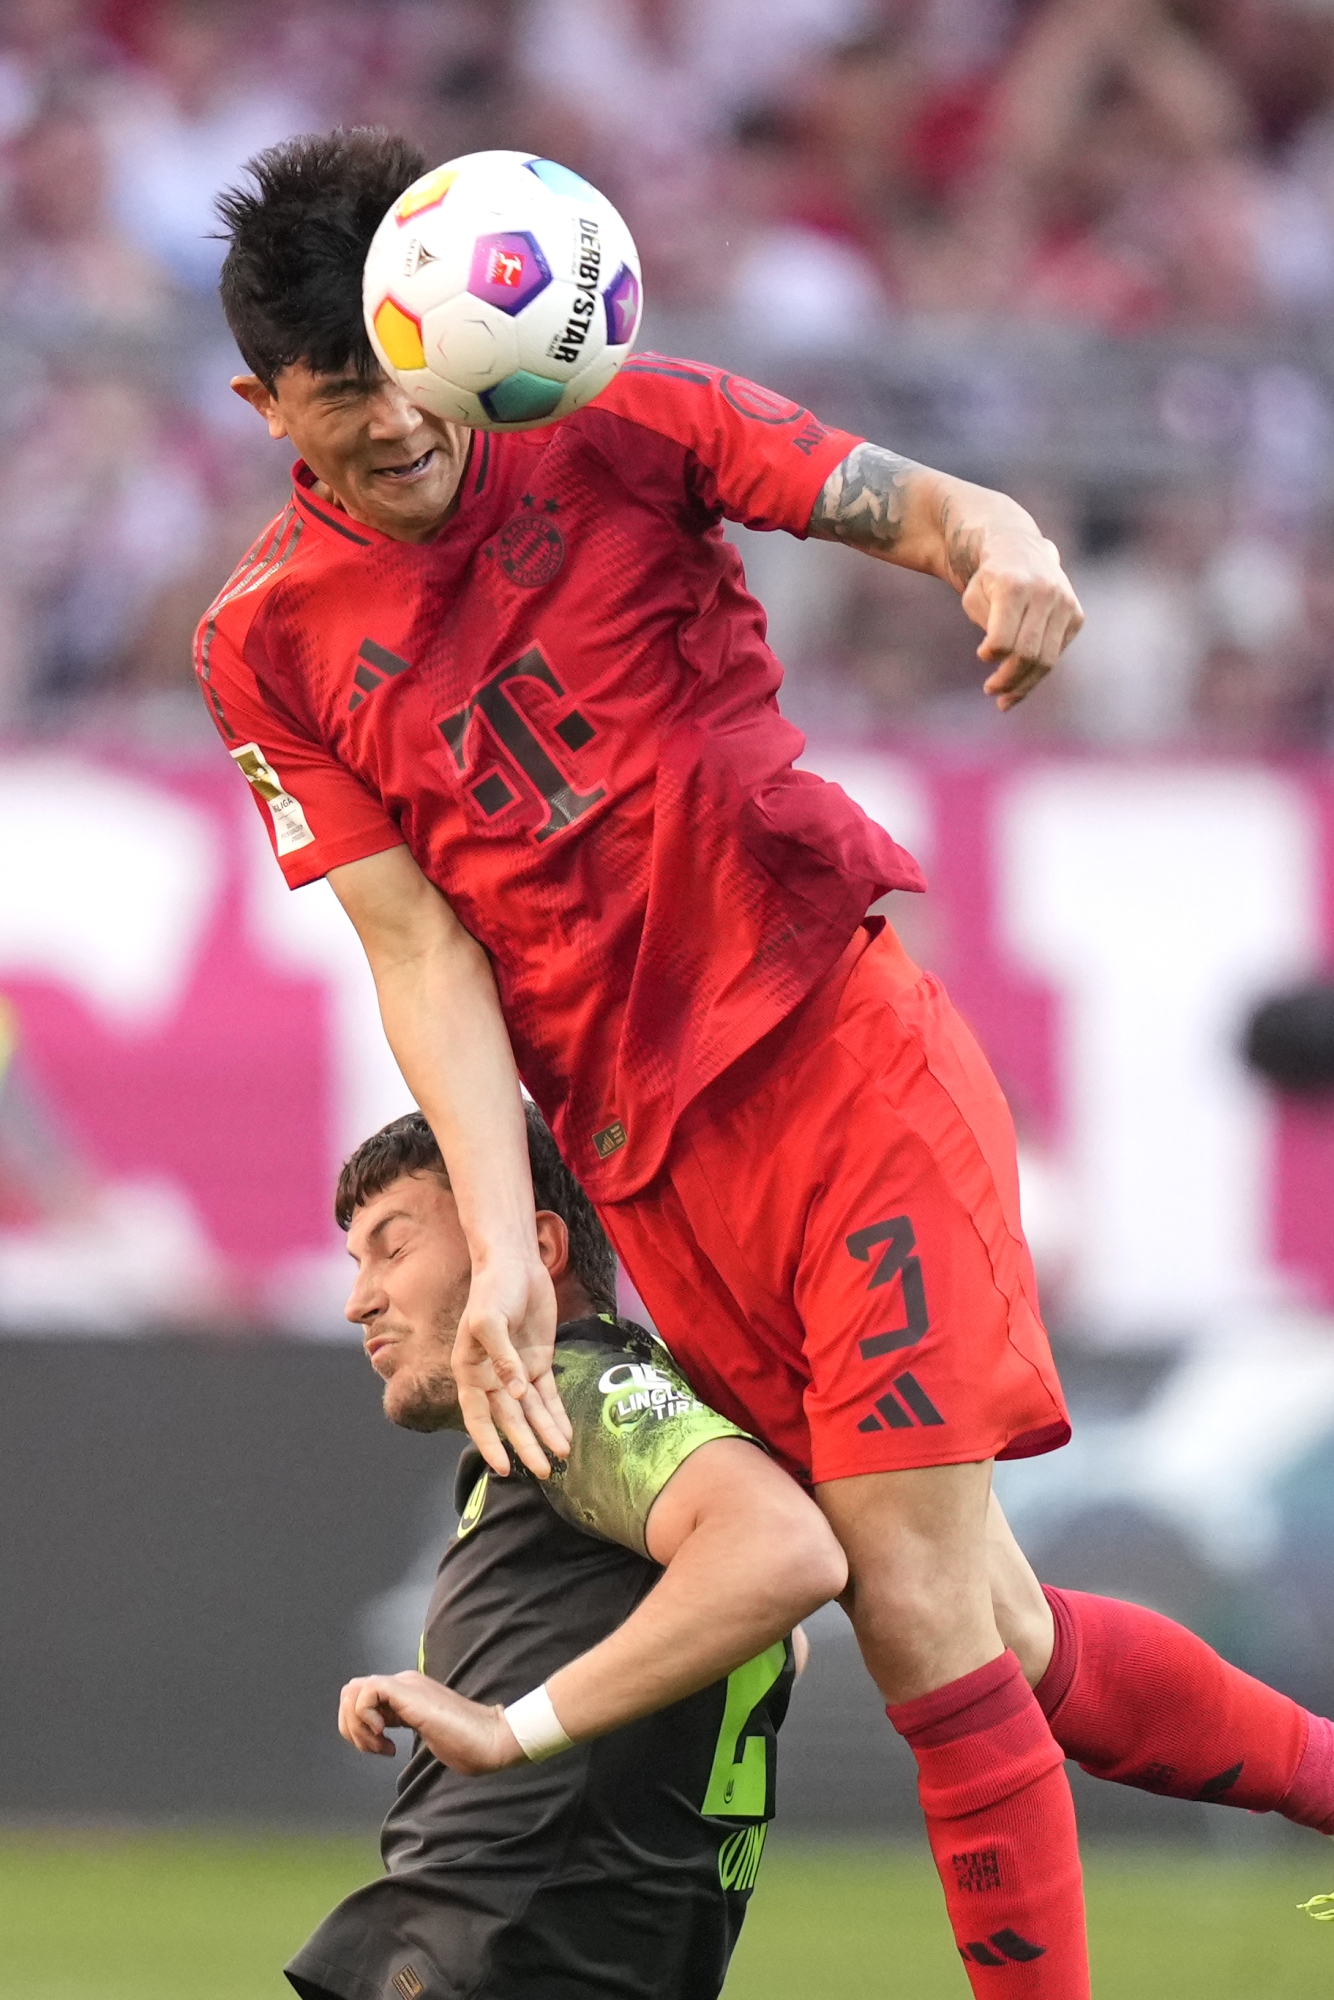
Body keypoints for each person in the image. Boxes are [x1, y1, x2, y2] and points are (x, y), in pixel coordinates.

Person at [203, 130, 1334, 1996]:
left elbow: (900, 500)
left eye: (416, 390)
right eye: (344, 413)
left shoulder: (620, 414)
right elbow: (416, 946)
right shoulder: (263, 645)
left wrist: (1004, 544)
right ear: (264, 404)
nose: (403, 436)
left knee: (904, 1598)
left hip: (830, 1044)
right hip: (649, 1160)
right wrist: (503, 1237)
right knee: (994, 1622)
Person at [288, 1103, 844, 2000]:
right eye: (356, 1263)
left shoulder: (568, 1391)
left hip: (500, 1962)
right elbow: (772, 1618)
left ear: (537, 1250)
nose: (360, 1300)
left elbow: (785, 1555)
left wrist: (512, 1729)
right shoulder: (626, 1418)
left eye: (393, 1248)